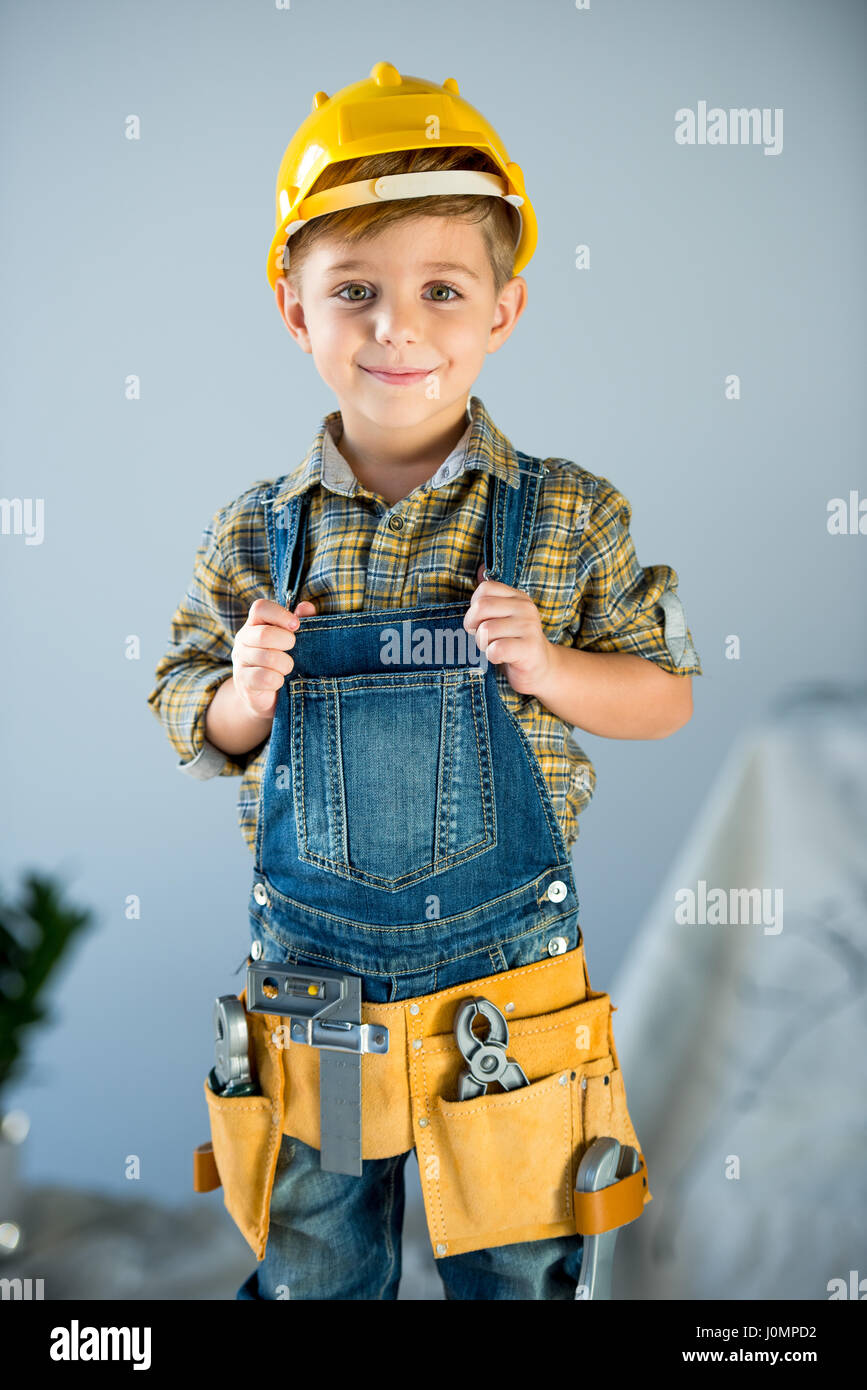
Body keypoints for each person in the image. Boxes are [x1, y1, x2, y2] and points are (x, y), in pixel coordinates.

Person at [147, 62, 702, 1301]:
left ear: (503, 310)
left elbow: (665, 696)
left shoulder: (563, 516)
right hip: (321, 1002)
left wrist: (549, 665)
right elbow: (193, 720)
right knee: (321, 1270)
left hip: (498, 1002)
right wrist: (241, 685)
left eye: (440, 291)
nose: (397, 326)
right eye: (355, 291)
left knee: (514, 1268)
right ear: (295, 309)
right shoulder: (257, 534)